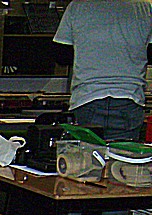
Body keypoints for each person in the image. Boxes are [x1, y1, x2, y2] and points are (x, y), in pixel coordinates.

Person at [53, 0, 152, 142]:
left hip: (87, 98)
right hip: (129, 98)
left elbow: (61, 55)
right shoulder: (144, 7)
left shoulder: (78, 6)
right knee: (122, 154)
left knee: (88, 154)